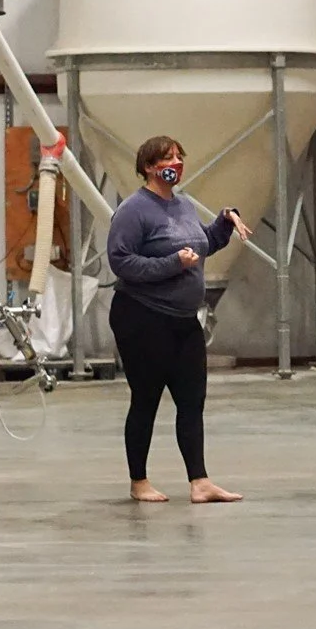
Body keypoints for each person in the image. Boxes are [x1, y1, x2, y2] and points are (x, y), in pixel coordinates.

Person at [105, 135, 246, 505]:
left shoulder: (182, 205)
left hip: (184, 320)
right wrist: (172, 264)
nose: (176, 163)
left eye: (180, 156)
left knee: (191, 400)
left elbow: (201, 245)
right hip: (142, 318)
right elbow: (120, 261)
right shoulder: (134, 211)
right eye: (168, 158)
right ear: (149, 166)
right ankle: (139, 482)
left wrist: (224, 223)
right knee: (146, 400)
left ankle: (199, 482)